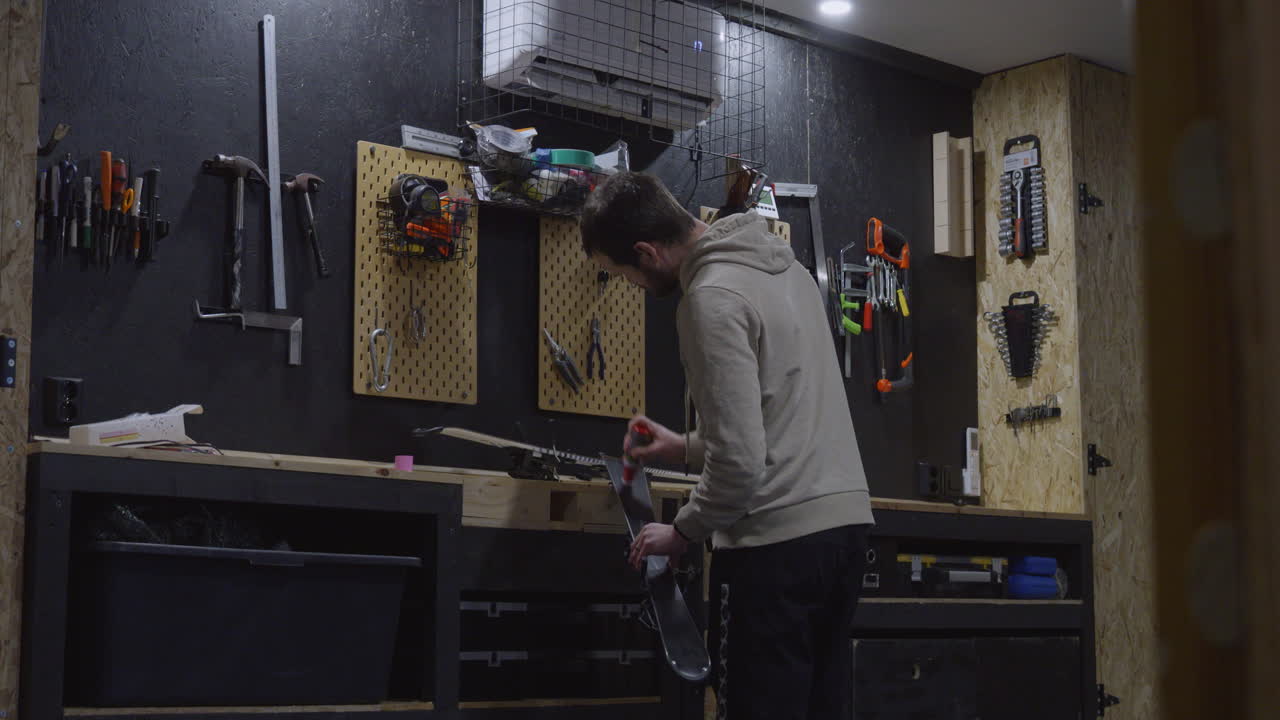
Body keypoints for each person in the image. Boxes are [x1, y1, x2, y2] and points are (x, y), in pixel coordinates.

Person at [579, 171, 875, 720]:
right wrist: (683, 448)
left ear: (646, 252)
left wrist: (683, 530)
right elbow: (774, 421)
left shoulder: (709, 299)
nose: (632, 286)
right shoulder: (786, 270)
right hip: (844, 536)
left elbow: (740, 465)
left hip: (775, 549)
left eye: (621, 274)